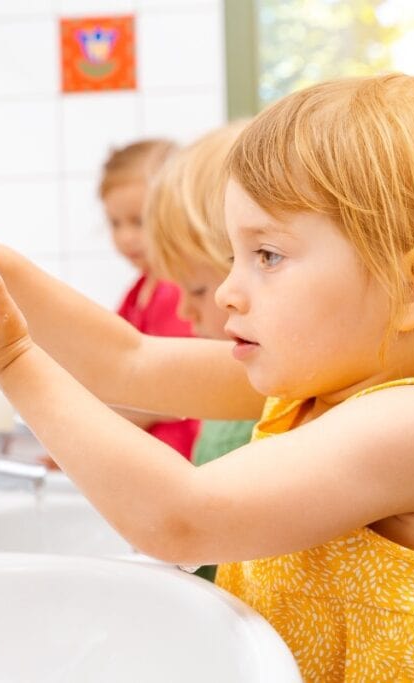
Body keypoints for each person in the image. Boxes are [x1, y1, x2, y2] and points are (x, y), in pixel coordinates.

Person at [0, 73, 414, 679]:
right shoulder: (316, 382)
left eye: (267, 254)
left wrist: (9, 361)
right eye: (235, 256)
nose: (231, 292)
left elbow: (181, 518)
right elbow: (127, 360)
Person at [142, 122, 256, 583]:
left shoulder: (274, 384)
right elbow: (125, 359)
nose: (186, 312)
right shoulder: (243, 372)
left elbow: (127, 360)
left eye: (195, 288)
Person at [100, 139, 200, 460]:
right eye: (115, 223)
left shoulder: (177, 290)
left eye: (138, 222)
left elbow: (174, 392)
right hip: (155, 458)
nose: (125, 237)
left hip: (183, 456)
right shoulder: (139, 289)